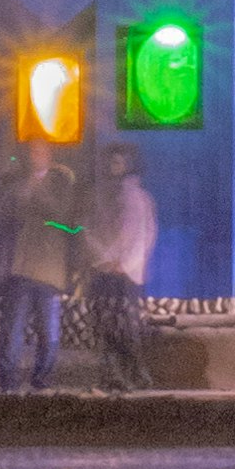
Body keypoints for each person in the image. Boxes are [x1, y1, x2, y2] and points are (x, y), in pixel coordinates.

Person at [0, 161, 81, 397]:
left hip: (47, 272)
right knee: (15, 329)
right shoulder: (19, 189)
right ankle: (11, 382)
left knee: (46, 330)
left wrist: (37, 190)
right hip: (23, 270)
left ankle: (39, 380)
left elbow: (63, 217)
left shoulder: (61, 190)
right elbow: (3, 217)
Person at [88, 149, 161, 389]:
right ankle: (124, 375)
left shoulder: (131, 197)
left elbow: (137, 235)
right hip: (116, 270)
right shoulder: (118, 196)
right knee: (113, 325)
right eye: (111, 161)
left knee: (121, 326)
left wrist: (120, 261)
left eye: (117, 162)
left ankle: (129, 374)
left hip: (120, 272)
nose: (112, 166)